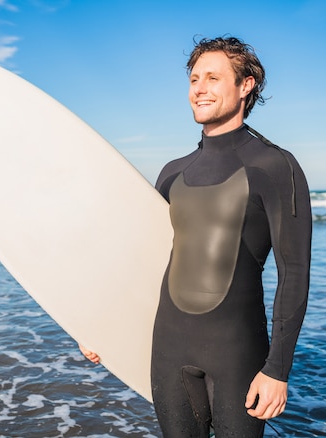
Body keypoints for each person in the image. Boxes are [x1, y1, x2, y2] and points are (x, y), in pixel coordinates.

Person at [81, 36, 311, 437]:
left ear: (245, 86)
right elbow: (144, 260)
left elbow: (294, 272)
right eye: (193, 79)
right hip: (168, 352)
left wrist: (277, 370)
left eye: (213, 78)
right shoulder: (172, 172)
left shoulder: (275, 167)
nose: (199, 88)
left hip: (237, 354)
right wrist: (102, 325)